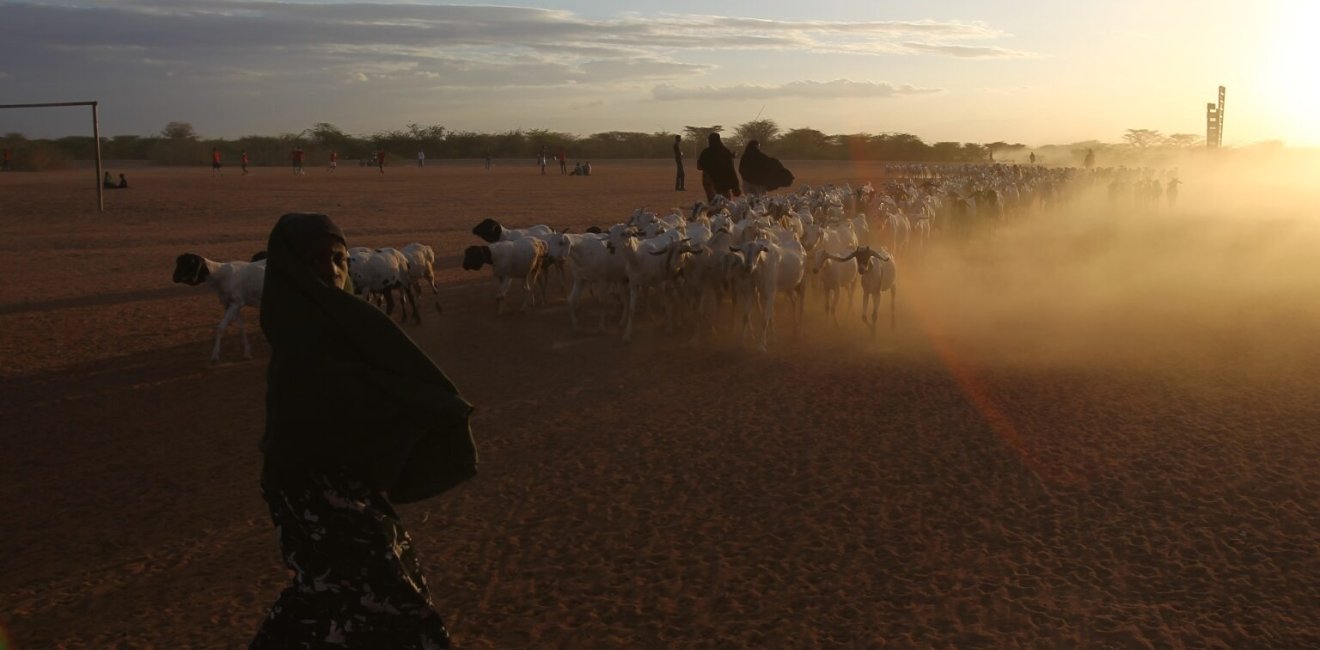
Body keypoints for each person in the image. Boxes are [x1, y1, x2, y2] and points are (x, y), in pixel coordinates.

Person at [250, 212, 477, 649]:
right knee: (392, 592)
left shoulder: (339, 322)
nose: (331, 272)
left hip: (342, 484)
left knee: (323, 593)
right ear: (289, 269)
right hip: (310, 490)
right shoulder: (301, 331)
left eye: (339, 260)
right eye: (314, 261)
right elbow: (346, 397)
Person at [696, 133, 740, 201]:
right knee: (726, 203)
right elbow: (731, 170)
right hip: (724, 182)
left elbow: (699, 167)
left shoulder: (706, 152)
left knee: (713, 202)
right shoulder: (725, 151)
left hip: (710, 182)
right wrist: (735, 186)